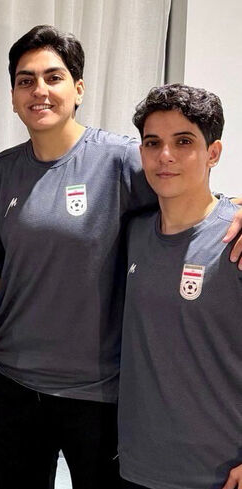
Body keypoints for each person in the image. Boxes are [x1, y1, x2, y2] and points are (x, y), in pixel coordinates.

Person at [0, 25, 242, 488]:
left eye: (53, 77)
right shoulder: (0, 172)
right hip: (11, 383)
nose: (39, 90)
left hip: (98, 394)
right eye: (25, 80)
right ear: (13, 96)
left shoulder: (123, 160)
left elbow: (188, 194)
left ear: (78, 89)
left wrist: (236, 206)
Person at [119, 84, 242, 489]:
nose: (165, 155)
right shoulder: (132, 232)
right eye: (153, 143)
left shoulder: (235, 240)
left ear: (213, 153)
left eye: (184, 142)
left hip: (219, 473)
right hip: (137, 467)